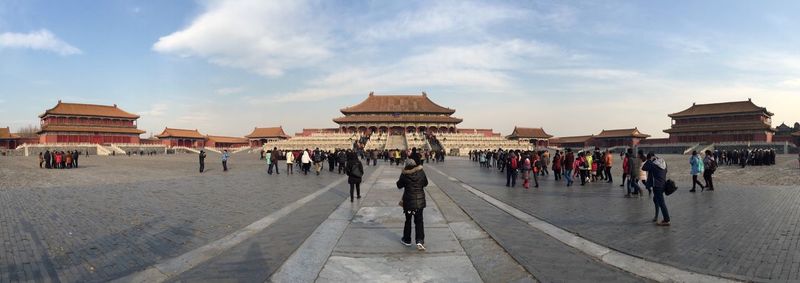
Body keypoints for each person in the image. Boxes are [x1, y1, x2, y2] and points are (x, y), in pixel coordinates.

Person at [397, 159, 428, 251]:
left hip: (408, 202)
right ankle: (420, 240)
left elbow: (399, 185)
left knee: (408, 220)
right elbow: (425, 183)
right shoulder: (421, 172)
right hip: (419, 202)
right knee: (419, 221)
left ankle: (407, 239)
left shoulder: (404, 174)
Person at [643, 152, 670, 226]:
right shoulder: (663, 162)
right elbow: (666, 171)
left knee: (661, 203)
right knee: (655, 199)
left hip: (657, 186)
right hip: (663, 184)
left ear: (650, 158)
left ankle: (666, 220)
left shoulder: (653, 164)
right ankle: (656, 216)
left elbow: (644, 168)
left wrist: (649, 160)